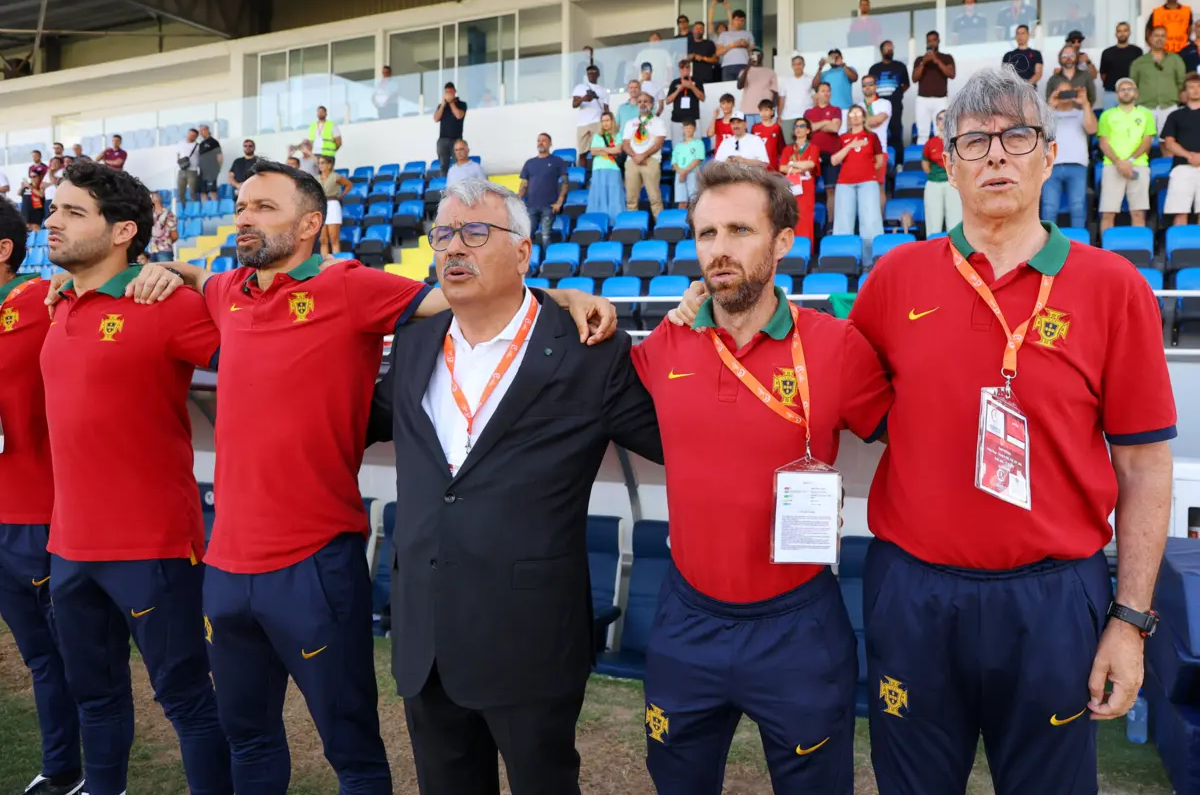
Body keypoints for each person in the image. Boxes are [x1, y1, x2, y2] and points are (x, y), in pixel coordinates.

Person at [66, 161, 612, 795]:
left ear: (309, 225)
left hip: (314, 563)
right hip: (226, 567)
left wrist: (564, 295)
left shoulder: (350, 287)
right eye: (241, 205)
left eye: (264, 207)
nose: (244, 216)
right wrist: (161, 269)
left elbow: (475, 292)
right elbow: (192, 278)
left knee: (350, 748)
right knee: (247, 738)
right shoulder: (225, 291)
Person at [851, 65, 1174, 795]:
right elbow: (818, 373)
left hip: (1055, 599)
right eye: (974, 141)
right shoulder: (895, 279)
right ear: (948, 163)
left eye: (1016, 135)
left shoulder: (1114, 287)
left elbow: (1147, 468)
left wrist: (1130, 620)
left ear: (1048, 155)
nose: (996, 154)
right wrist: (703, 304)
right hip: (915, 591)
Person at [367, 176, 658, 795]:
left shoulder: (587, 349)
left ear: (524, 252)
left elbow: (678, 441)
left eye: (476, 232)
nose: (453, 248)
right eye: (443, 234)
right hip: (428, 634)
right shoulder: (413, 343)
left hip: (530, 638)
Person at [632, 161, 891, 794]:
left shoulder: (838, 348)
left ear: (782, 242)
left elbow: (912, 437)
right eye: (706, 233)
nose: (719, 250)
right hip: (686, 617)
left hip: (797, 624)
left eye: (740, 231)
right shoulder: (663, 346)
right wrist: (576, 298)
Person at [41, 161, 231, 795]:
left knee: (186, 701)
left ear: (124, 231)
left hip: (152, 546)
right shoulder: (56, 301)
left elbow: (257, 351)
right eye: (53, 208)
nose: (53, 219)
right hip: (68, 547)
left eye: (73, 212)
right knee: (93, 696)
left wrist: (190, 276)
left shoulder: (165, 303)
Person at [0, 198, 85, 795]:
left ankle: (98, 770)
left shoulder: (41, 299)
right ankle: (60, 768)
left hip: (42, 515)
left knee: (77, 657)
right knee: (39, 661)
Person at [1098, 78, 1156, 233]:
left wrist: (1128, 161)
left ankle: (1139, 252)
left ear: (1136, 93)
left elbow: (1147, 142)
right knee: (1108, 213)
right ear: (1117, 95)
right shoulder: (1106, 115)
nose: (1126, 92)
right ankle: (1105, 255)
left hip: (1139, 166)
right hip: (1112, 166)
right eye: (1122, 89)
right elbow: (1104, 143)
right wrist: (1119, 163)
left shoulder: (1146, 114)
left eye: (1129, 89)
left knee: (1138, 212)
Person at [1041, 79, 1097, 229]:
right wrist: (1050, 105)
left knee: (1078, 207)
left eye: (1068, 92)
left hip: (1077, 165)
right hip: (1051, 166)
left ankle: (1077, 246)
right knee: (1048, 208)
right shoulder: (1047, 114)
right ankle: (1047, 245)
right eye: (1062, 92)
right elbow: (1038, 131)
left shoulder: (1081, 113)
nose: (1065, 96)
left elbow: (1092, 129)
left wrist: (1085, 103)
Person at [831, 104, 885, 246]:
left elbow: (879, 160)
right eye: (852, 114)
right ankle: (844, 256)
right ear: (848, 118)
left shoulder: (872, 136)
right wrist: (850, 146)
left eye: (858, 113)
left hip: (868, 182)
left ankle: (871, 260)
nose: (855, 116)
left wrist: (867, 170)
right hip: (845, 183)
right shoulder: (842, 138)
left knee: (871, 221)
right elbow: (834, 160)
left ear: (863, 117)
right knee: (843, 222)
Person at [1161, 72, 1200, 225]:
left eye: (1198, 86)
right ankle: (1180, 246)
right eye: (1191, 87)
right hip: (1182, 167)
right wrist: (1189, 156)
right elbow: (1169, 142)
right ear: (1185, 91)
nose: (1195, 90)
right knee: (1180, 212)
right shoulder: (1175, 115)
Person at [519, 133, 570, 249]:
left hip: (549, 206)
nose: (540, 143)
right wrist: (518, 199)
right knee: (528, 235)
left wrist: (559, 202)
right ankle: (528, 262)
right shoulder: (530, 163)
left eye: (544, 140)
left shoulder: (557, 161)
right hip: (531, 206)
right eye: (538, 141)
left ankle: (548, 263)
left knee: (546, 236)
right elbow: (524, 184)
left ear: (550, 143)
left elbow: (565, 182)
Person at [622, 93, 668, 216]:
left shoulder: (658, 122)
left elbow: (658, 144)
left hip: (650, 161)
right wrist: (635, 156)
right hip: (632, 161)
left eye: (646, 101)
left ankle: (660, 225)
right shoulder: (630, 123)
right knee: (631, 199)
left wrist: (643, 155)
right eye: (640, 101)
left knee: (655, 198)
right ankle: (632, 227)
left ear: (652, 104)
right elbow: (625, 144)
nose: (642, 104)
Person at [1131, 26, 1186, 128]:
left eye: (1163, 36)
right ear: (1150, 38)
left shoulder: (1176, 59)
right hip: (1145, 107)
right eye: (1156, 36)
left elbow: (1181, 82)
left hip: (1169, 106)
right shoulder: (1138, 62)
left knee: (1166, 141)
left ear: (1166, 39)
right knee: (1142, 140)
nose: (1159, 38)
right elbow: (1133, 85)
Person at [805, 82, 843, 227]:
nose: (826, 93)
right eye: (823, 91)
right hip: (812, 155)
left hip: (831, 154)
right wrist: (825, 122)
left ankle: (830, 223)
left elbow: (834, 127)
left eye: (828, 90)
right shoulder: (809, 112)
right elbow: (809, 129)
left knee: (830, 189)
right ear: (817, 94)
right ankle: (809, 223)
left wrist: (818, 125)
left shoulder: (836, 109)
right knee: (809, 190)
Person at [779, 117, 821, 246]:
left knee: (805, 218)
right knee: (791, 218)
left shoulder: (813, 148)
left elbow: (810, 164)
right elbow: (782, 167)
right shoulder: (788, 149)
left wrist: (792, 164)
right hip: (792, 185)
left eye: (802, 126)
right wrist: (798, 167)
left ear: (808, 130)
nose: (798, 129)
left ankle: (806, 250)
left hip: (806, 186)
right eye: (796, 126)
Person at [921, 110, 962, 234]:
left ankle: (956, 252)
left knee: (956, 222)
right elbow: (926, 166)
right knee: (933, 222)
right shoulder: (930, 143)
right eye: (940, 119)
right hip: (934, 183)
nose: (943, 121)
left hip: (954, 184)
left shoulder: (959, 141)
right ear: (937, 123)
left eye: (946, 118)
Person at [913, 31, 956, 144]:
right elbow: (914, 78)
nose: (931, 43)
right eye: (929, 41)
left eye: (934, 40)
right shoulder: (919, 59)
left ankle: (941, 158)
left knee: (941, 131)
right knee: (922, 133)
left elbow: (951, 74)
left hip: (940, 100)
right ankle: (922, 159)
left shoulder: (946, 57)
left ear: (938, 41)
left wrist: (936, 61)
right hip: (922, 100)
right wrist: (924, 62)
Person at [869, 40, 911, 158]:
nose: (890, 50)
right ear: (881, 51)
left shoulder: (900, 66)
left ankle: (898, 162)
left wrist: (897, 94)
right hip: (877, 106)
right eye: (887, 48)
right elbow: (870, 86)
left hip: (895, 105)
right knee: (878, 132)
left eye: (892, 48)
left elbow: (906, 84)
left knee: (896, 132)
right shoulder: (874, 68)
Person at [861, 74, 893, 207]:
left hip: (879, 151)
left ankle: (879, 223)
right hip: (861, 152)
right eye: (864, 85)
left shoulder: (885, 103)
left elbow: (876, 121)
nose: (867, 87)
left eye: (870, 83)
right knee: (862, 189)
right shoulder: (857, 106)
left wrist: (860, 121)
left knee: (879, 187)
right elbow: (850, 127)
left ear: (876, 86)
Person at [587, 112, 625, 221]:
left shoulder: (618, 135)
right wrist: (609, 151)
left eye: (608, 120)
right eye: (603, 121)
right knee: (599, 195)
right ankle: (599, 222)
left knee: (614, 196)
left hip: (613, 168)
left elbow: (617, 150)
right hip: (598, 168)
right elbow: (593, 151)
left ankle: (615, 222)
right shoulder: (597, 136)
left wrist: (602, 149)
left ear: (612, 121)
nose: (605, 123)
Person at [572, 65, 611, 167]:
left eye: (594, 71)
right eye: (589, 72)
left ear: (598, 74)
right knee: (582, 153)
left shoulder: (603, 90)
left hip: (597, 122)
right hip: (582, 123)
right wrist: (584, 99)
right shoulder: (580, 87)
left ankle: (595, 174)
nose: (591, 73)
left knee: (597, 151)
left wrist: (609, 123)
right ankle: (583, 177)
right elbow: (574, 104)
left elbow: (606, 109)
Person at [1100, 22, 1143, 108]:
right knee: (1109, 120)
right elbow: (1103, 74)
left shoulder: (1137, 51)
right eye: (1119, 31)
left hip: (1131, 93)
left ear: (1129, 32)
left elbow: (1141, 72)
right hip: (1111, 93)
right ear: (1116, 34)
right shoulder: (1107, 52)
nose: (1122, 33)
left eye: (1125, 30)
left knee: (1130, 120)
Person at [316, 155, 352, 255]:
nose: (320, 165)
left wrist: (341, 195)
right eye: (319, 163)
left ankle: (336, 264)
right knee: (323, 239)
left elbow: (348, 184)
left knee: (334, 238)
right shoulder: (316, 178)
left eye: (323, 162)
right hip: (321, 205)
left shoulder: (335, 176)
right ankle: (325, 265)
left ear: (329, 165)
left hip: (332, 204)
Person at [666, 59, 706, 144]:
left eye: (687, 67)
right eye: (682, 68)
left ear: (690, 69)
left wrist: (691, 86)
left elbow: (702, 98)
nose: (685, 70)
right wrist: (679, 90)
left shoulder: (697, 81)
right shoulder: (675, 82)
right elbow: (668, 101)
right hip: (677, 120)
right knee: (677, 147)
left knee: (695, 146)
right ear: (679, 70)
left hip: (693, 119)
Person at [779, 53, 814, 145]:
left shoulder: (810, 79)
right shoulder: (785, 81)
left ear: (804, 65)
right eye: (795, 64)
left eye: (799, 64)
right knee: (790, 144)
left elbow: (815, 98)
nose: (797, 66)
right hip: (788, 116)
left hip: (805, 116)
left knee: (805, 143)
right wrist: (779, 116)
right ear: (792, 66)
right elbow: (782, 99)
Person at [434, 83, 468, 175]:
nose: (448, 94)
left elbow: (459, 115)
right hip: (443, 139)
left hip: (456, 140)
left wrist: (451, 102)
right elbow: (436, 118)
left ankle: (458, 186)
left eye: (450, 92)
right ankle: (444, 186)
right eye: (446, 92)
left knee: (458, 164)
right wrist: (443, 104)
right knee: (443, 165)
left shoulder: (462, 104)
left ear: (454, 92)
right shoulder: (441, 106)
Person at [715, 5, 753, 81]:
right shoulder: (724, 34)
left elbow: (753, 53)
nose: (739, 22)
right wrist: (733, 45)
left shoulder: (748, 34)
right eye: (737, 20)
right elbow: (718, 53)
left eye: (742, 20)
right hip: (727, 66)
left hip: (744, 65)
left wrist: (746, 45)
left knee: (744, 89)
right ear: (732, 20)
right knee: (728, 90)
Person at [671, 121, 705, 207]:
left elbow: (697, 159)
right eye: (686, 127)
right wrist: (681, 172)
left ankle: (695, 220)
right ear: (683, 129)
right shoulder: (678, 146)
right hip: (679, 174)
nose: (688, 130)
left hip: (693, 173)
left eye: (690, 127)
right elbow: (674, 162)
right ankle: (681, 220)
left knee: (694, 201)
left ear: (694, 129)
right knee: (682, 202)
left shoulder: (699, 143)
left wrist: (685, 171)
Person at [814, 48, 856, 112]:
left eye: (836, 57)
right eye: (831, 57)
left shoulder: (848, 69)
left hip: (846, 109)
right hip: (829, 110)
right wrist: (820, 67)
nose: (834, 59)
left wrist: (842, 64)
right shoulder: (824, 74)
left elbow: (854, 78)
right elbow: (814, 85)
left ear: (841, 57)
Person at [751, 99, 785, 170]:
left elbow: (781, 148)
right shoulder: (755, 127)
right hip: (757, 165)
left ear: (772, 112)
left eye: (766, 110)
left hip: (772, 165)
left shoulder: (776, 128)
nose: (763, 113)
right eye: (761, 110)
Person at [147, 191, 178, 262]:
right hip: (153, 251)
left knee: (166, 271)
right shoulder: (151, 215)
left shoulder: (169, 215)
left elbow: (175, 235)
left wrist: (165, 243)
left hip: (165, 252)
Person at [197, 124, 223, 203]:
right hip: (202, 171)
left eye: (203, 130)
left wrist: (218, 168)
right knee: (203, 192)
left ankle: (214, 210)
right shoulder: (201, 144)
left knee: (212, 191)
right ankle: (205, 211)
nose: (201, 133)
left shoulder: (214, 142)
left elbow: (219, 156)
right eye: (200, 131)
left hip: (211, 170)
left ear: (207, 130)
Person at [687, 20, 718, 84]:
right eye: (697, 28)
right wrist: (691, 56)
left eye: (701, 29)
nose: (698, 30)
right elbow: (680, 58)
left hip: (706, 78)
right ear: (693, 30)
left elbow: (715, 59)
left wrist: (703, 58)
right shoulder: (688, 44)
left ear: (704, 31)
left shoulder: (709, 43)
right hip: (690, 79)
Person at [176, 128, 200, 204]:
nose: (191, 136)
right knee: (180, 191)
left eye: (193, 135)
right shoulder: (181, 144)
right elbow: (178, 154)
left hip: (192, 170)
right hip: (182, 169)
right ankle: (183, 207)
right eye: (190, 134)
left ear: (196, 137)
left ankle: (194, 208)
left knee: (193, 191)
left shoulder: (197, 146)